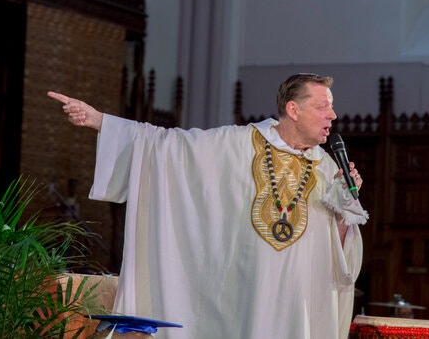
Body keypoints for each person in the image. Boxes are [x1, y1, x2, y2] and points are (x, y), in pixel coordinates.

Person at [49, 72, 367, 339]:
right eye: (323, 106)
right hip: (245, 298)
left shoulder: (328, 168)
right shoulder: (237, 143)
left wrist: (344, 209)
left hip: (298, 307)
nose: (333, 116)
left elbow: (337, 256)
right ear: (294, 109)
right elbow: (168, 146)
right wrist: (100, 121)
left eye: (332, 107)